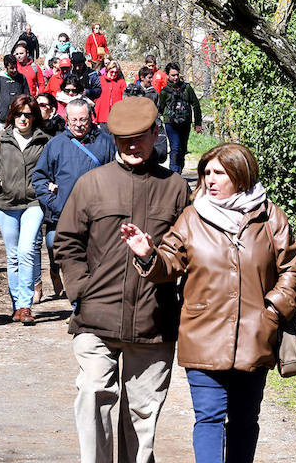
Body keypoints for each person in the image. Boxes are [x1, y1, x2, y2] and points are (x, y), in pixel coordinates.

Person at [122, 143, 296, 463]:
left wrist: (273, 311)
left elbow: (291, 269)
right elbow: (169, 264)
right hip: (203, 334)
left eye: (219, 173)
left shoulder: (270, 216)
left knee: (245, 421)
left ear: (240, 176)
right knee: (208, 418)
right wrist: (148, 255)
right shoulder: (192, 218)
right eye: (207, 173)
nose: (211, 180)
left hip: (255, 334)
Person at [55, 97, 190, 463]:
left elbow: (187, 254)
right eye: (123, 138)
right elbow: (67, 241)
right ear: (113, 139)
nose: (132, 145)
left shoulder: (175, 188)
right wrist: (80, 289)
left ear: (155, 134)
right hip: (96, 321)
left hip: (153, 323)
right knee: (93, 395)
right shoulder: (91, 184)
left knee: (142, 420)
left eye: (140, 137)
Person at [0, 94, 51, 325]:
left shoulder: (45, 141)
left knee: (27, 250)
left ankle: (25, 306)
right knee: (13, 256)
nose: (23, 119)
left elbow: (53, 167)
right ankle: (17, 304)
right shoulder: (0, 139)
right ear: (12, 115)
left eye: (27, 115)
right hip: (6, 205)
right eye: (18, 114)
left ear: (34, 117)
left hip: (33, 203)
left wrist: (50, 184)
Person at [33, 98, 115, 300]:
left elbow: (117, 175)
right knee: (53, 245)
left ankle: (83, 303)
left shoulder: (105, 142)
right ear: (66, 119)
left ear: (91, 118)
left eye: (83, 120)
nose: (79, 124)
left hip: (97, 215)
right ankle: (56, 271)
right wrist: (56, 203)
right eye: (74, 120)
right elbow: (39, 179)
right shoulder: (55, 145)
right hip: (63, 215)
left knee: (91, 259)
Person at [157, 62, 203, 175]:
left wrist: (198, 123)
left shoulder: (186, 88)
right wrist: (156, 125)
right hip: (170, 124)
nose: (176, 77)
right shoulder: (164, 92)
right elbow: (159, 110)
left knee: (182, 149)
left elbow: (196, 104)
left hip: (185, 123)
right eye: (173, 75)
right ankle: (174, 174)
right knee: (175, 148)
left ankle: (179, 172)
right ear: (167, 75)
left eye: (177, 74)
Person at [0, 54, 29, 134]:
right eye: (11, 68)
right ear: (5, 67)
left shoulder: (22, 78)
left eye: (15, 67)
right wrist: (0, 111)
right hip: (2, 120)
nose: (14, 70)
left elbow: (27, 96)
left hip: (18, 119)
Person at [95, 60, 127, 130]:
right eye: (112, 72)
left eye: (116, 72)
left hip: (116, 116)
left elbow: (124, 98)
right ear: (107, 70)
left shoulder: (121, 82)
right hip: (102, 115)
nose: (113, 74)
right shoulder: (100, 80)